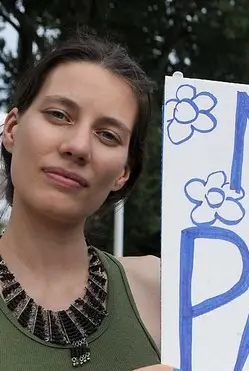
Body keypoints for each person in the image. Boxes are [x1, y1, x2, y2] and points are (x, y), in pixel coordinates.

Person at [0, 31, 175, 370]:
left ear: (124, 172)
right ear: (12, 129)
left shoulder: (164, 293)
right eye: (58, 115)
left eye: (108, 135)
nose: (78, 147)